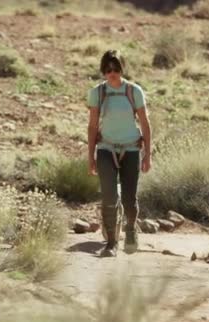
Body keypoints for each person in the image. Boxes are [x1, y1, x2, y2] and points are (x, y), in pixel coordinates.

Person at [87, 50, 152, 257]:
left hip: (131, 149)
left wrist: (148, 154)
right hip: (106, 148)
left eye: (116, 68)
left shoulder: (134, 91)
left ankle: (131, 229)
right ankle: (111, 243)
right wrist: (91, 156)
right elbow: (92, 125)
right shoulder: (97, 93)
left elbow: (144, 123)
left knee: (129, 199)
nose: (112, 73)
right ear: (103, 70)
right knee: (108, 196)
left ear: (122, 69)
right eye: (107, 69)